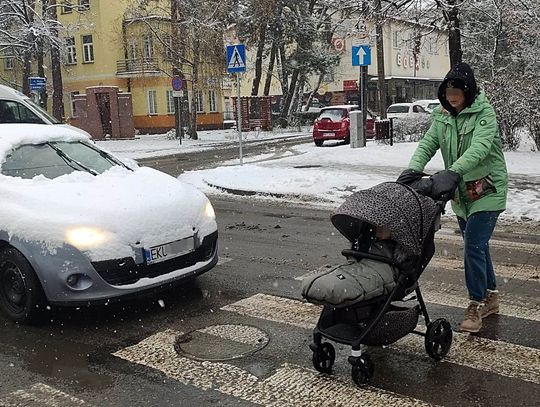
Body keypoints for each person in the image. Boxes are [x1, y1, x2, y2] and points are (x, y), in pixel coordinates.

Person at [397, 62, 508, 333]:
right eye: (448, 90)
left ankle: (475, 304)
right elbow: (428, 143)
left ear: (468, 92)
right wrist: (412, 170)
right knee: (478, 246)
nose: (452, 95)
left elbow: (480, 148)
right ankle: (491, 297)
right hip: (460, 193)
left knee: (473, 244)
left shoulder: (484, 114)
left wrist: (452, 172)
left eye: (457, 90)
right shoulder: (442, 116)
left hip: (486, 189)